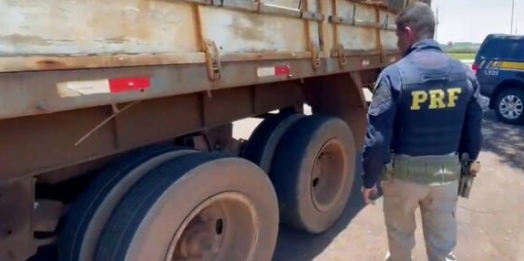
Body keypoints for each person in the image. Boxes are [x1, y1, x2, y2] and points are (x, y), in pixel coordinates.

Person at [360, 2, 483, 261]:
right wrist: (465, 165)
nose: (396, 44)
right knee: (442, 249)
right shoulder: (464, 74)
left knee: (400, 245)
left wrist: (369, 180)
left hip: (402, 179)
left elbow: (378, 139)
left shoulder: (394, 75)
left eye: (397, 37)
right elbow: (473, 133)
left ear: (407, 32)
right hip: (446, 177)